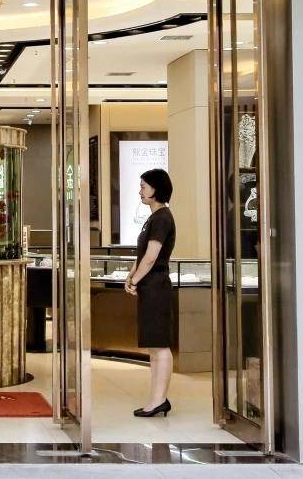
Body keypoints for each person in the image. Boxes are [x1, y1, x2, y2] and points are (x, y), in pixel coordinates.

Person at [125, 168, 176, 418]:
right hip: (149, 286)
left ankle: (159, 400)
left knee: (160, 345)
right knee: (154, 346)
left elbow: (151, 257)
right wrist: (131, 275)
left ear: (156, 189)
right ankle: (156, 399)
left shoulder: (162, 218)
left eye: (144, 186)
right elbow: (142, 255)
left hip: (156, 286)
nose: (140, 191)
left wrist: (135, 280)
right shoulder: (153, 218)